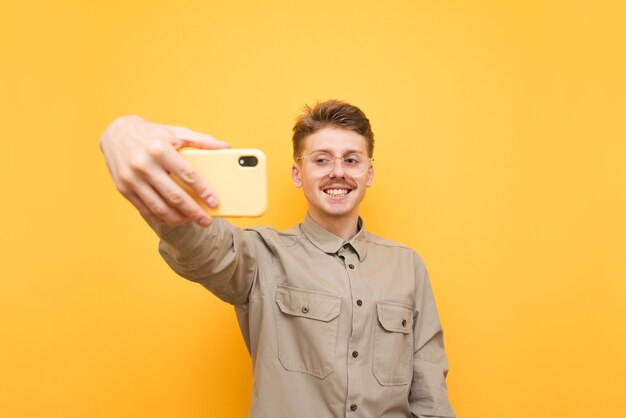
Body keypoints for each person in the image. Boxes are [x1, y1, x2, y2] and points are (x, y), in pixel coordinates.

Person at [100, 100, 455, 418]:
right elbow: (201, 249)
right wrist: (124, 133)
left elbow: (430, 395)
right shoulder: (261, 256)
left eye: (351, 160)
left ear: (368, 173)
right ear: (298, 174)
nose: (338, 171)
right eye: (321, 159)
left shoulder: (408, 265)